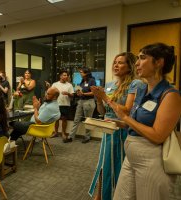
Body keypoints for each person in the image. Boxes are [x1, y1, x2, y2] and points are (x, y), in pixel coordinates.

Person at [111, 43, 181, 200]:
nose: (136, 63)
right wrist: (121, 123)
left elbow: (157, 135)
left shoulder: (170, 95)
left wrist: (126, 118)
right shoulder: (142, 89)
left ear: (159, 62)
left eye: (142, 58)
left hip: (152, 159)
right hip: (131, 156)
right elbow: (138, 124)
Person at [88, 52, 142, 200]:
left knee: (119, 165)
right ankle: (100, 194)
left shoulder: (135, 84)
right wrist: (99, 100)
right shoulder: (110, 84)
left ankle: (116, 195)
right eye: (115, 62)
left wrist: (105, 97)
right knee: (104, 163)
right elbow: (103, 112)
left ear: (129, 66)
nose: (116, 65)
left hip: (123, 129)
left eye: (120, 62)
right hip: (108, 129)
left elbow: (127, 110)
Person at [68, 67, 96, 143]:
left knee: (88, 120)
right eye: (80, 72)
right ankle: (70, 136)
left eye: (81, 72)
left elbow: (94, 93)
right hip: (81, 101)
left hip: (89, 101)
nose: (80, 74)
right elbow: (81, 90)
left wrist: (83, 93)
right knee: (76, 119)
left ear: (86, 73)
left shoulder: (92, 81)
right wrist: (78, 92)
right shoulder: (82, 81)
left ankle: (87, 137)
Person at [51, 70, 74, 142]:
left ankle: (63, 133)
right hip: (56, 103)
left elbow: (72, 95)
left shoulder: (69, 85)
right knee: (56, 119)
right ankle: (56, 132)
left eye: (66, 75)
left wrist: (68, 93)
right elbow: (50, 92)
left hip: (65, 104)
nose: (66, 76)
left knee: (64, 119)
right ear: (60, 76)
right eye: (64, 75)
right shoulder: (55, 84)